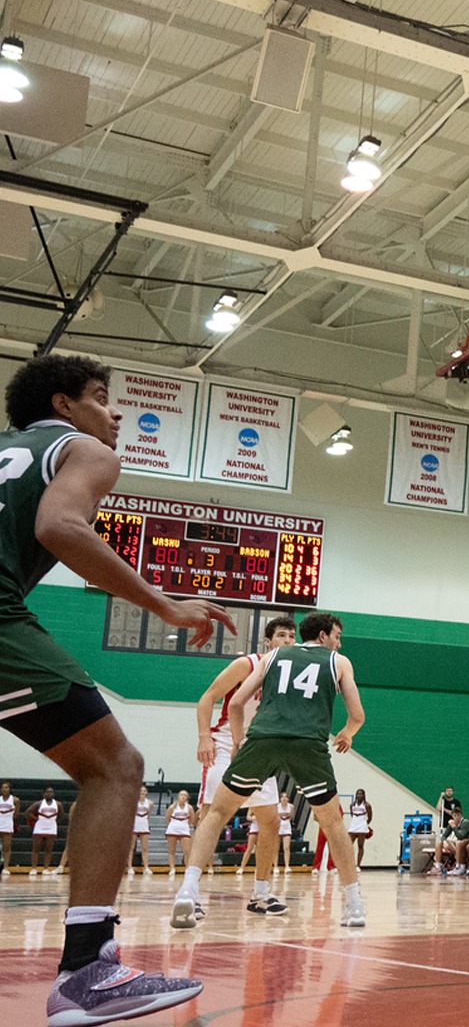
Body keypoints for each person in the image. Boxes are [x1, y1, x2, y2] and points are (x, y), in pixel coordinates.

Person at [0, 354, 237, 1021]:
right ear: (64, 403)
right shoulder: (83, 450)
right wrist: (163, 604)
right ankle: (85, 971)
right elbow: (60, 527)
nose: (116, 414)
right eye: (103, 397)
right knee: (115, 768)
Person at [172, 612, 364, 931]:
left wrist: (238, 742)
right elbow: (357, 715)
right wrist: (346, 734)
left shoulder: (272, 656)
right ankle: (354, 905)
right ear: (323, 636)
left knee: (218, 813)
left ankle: (188, 892)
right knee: (332, 823)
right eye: (337, 636)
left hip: (261, 739)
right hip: (307, 744)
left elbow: (235, 705)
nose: (339, 642)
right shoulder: (338, 662)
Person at [191, 614, 299, 917]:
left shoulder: (289, 676)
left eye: (292, 636)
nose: (288, 641)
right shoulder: (247, 665)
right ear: (268, 641)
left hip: (257, 748)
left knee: (272, 821)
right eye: (281, 636)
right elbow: (208, 697)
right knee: (212, 815)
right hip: (225, 744)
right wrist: (204, 737)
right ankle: (191, 893)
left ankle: (261, 894)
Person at [160, 790, 193, 875]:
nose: (183, 796)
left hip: (184, 830)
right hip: (173, 829)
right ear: (178, 796)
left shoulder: (189, 808)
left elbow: (192, 819)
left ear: (187, 798)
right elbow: (167, 819)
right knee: (172, 850)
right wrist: (175, 824)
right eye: (181, 795)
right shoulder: (172, 807)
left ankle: (188, 868)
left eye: (185, 795)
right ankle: (172, 868)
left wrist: (183, 824)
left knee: (187, 850)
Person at [30, 787, 59, 875]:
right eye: (47, 792)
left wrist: (53, 821)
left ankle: (45, 868)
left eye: (51, 792)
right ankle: (34, 868)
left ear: (54, 794)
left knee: (48, 849)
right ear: (43, 794)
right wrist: (37, 819)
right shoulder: (38, 803)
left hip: (51, 828)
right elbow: (27, 813)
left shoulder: (58, 804)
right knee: (36, 849)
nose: (49, 793)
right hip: (39, 827)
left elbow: (61, 815)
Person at [345, 789, 373, 866]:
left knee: (360, 846)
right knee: (348, 845)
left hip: (362, 827)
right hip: (353, 826)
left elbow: (370, 817)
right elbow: (352, 814)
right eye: (358, 794)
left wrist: (364, 824)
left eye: (361, 794)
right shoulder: (352, 805)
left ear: (364, 795)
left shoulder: (367, 805)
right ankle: (348, 864)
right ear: (356, 795)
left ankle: (358, 865)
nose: (359, 795)